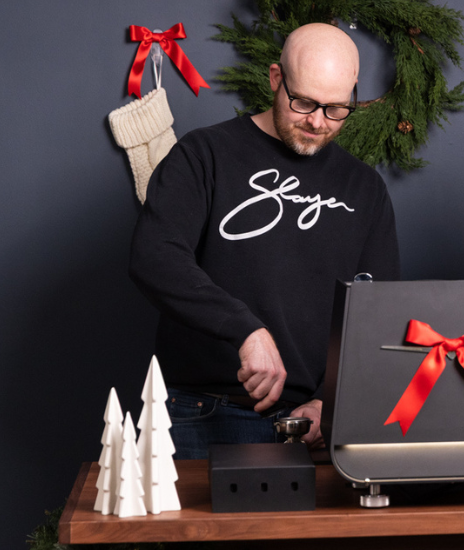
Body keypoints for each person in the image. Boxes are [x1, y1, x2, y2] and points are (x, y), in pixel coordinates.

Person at [129, 23, 399, 459]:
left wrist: (327, 398)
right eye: (304, 102)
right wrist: (246, 329)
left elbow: (377, 309)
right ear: (276, 79)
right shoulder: (204, 155)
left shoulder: (364, 188)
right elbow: (154, 257)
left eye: (335, 108)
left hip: (313, 428)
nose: (317, 121)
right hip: (204, 416)